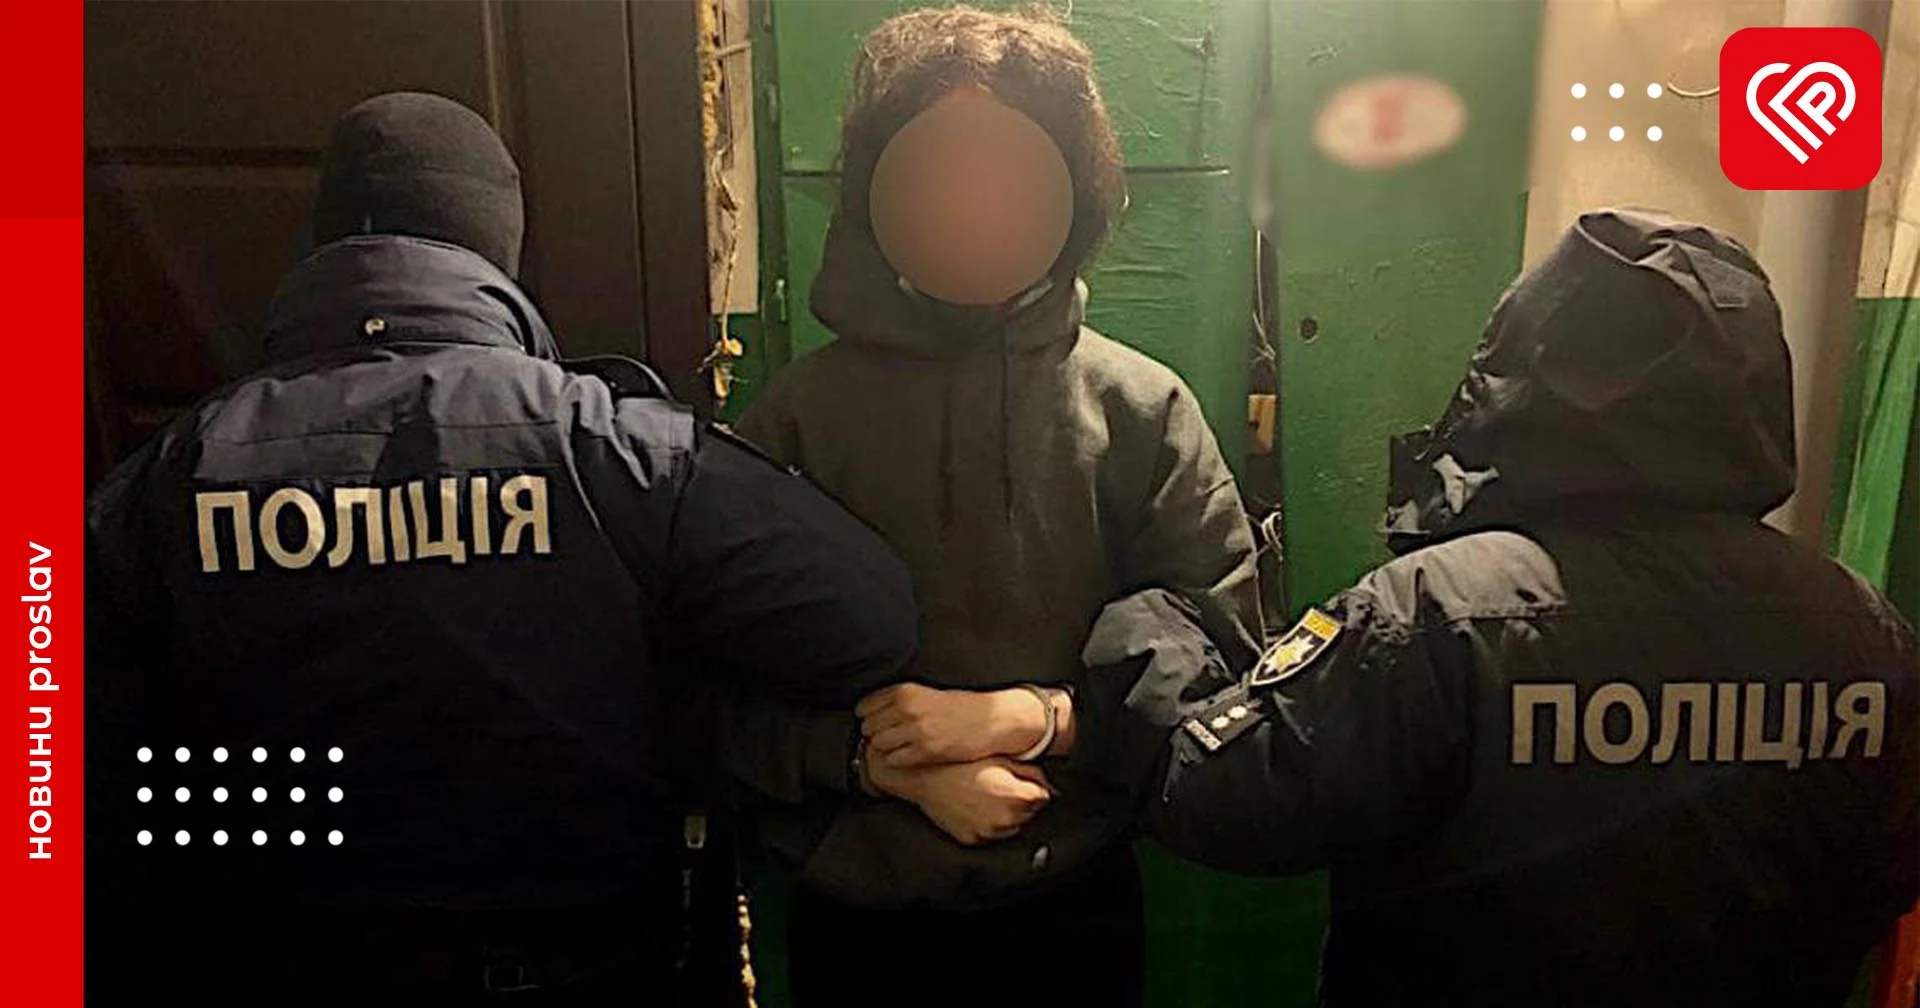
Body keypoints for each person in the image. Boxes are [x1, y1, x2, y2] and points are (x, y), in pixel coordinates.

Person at [83, 92, 918, 1005]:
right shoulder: (615, 451)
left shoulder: (168, 482)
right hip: (589, 971)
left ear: (326, 245)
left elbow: (68, 785)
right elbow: (867, 622)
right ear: (496, 245)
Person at [1072, 208, 1920, 1007]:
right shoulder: (1862, 630)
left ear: (1527, 362)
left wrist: (1155, 625)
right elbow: (1889, 869)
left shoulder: (1440, 612)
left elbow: (1229, 798)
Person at [730, 7, 1262, 1008]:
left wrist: (1037, 720)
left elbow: (1223, 653)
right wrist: (874, 765)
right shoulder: (798, 418)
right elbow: (713, 678)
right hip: (860, 917)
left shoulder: (1140, 409)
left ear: (1071, 188)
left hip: (1075, 907)